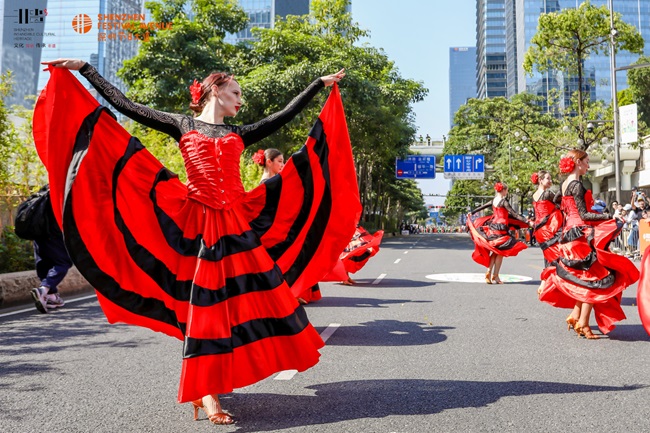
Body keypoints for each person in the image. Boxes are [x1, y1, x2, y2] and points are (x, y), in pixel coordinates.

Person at [36, 58, 359, 424]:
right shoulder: (182, 125)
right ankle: (208, 397)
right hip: (198, 227)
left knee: (250, 303)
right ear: (216, 89)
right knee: (204, 310)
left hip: (238, 226)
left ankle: (215, 383)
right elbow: (125, 104)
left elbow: (285, 115)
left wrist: (318, 83)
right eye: (236, 93)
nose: (240, 100)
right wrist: (85, 69)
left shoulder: (240, 131)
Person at [538, 150, 640, 339]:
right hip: (580, 234)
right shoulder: (576, 184)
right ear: (577, 162)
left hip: (570, 235)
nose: (588, 165)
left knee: (584, 278)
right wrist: (610, 216)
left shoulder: (565, 184)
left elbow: (564, 208)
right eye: (585, 162)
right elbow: (584, 215)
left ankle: (576, 315)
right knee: (595, 279)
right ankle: (583, 323)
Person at [467, 181, 531, 284]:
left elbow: (482, 207)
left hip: (493, 228)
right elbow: (514, 214)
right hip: (501, 229)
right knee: (501, 253)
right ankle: (495, 276)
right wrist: (526, 221)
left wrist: (472, 212)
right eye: (507, 190)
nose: (507, 192)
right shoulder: (503, 202)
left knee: (496, 252)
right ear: (503, 190)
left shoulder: (493, 201)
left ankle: (489, 272)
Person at [29, 185, 73, 314]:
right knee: (63, 262)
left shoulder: (42, 191)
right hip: (53, 233)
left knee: (44, 263)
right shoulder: (61, 190)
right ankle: (44, 289)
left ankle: (51, 297)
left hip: (37, 233)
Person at [530, 171, 563, 297]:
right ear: (540, 180)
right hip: (549, 228)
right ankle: (546, 284)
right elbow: (561, 203)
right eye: (548, 179)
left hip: (539, 230)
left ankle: (546, 283)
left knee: (549, 256)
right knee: (557, 255)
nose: (550, 181)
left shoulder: (534, 195)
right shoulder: (548, 193)